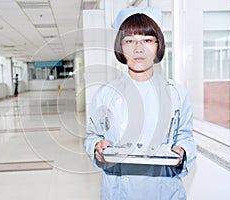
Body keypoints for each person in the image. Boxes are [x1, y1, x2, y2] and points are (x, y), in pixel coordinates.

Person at [84, 7, 197, 200]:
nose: (138, 49)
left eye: (147, 40)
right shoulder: (105, 95)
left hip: (164, 190)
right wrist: (97, 148)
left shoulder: (177, 94)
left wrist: (182, 153)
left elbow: (185, 136)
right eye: (129, 41)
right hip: (119, 191)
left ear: (158, 45)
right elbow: (92, 136)